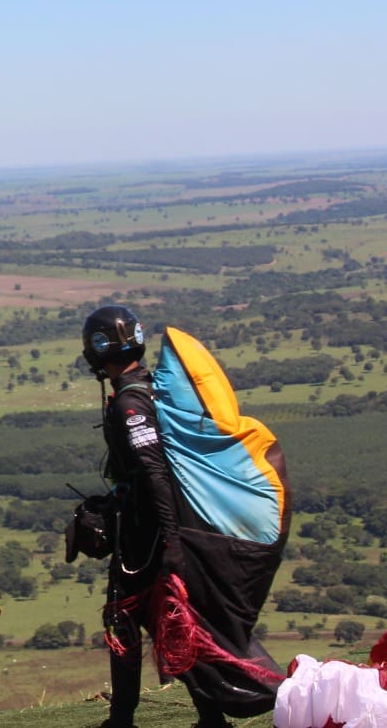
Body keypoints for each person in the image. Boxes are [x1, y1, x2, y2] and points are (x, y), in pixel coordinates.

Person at [83, 305, 229, 728]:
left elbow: (153, 472)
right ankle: (209, 717)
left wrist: (170, 542)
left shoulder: (130, 403)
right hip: (159, 531)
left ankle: (124, 720)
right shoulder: (150, 389)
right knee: (165, 621)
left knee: (129, 618)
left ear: (98, 349)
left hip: (147, 538)